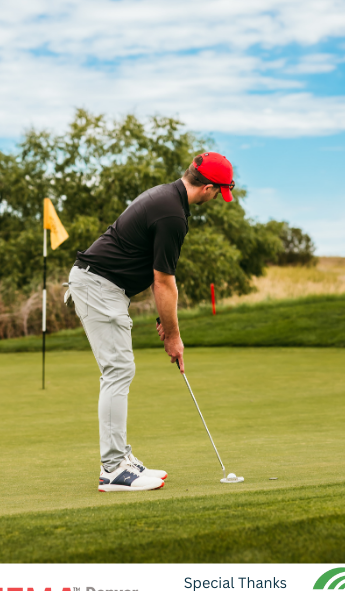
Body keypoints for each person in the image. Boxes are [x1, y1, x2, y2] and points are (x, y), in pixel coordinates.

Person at [65, 152, 235, 492]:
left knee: (120, 369)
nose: (217, 197)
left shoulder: (166, 196)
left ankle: (121, 458)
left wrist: (163, 318)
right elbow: (164, 281)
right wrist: (173, 336)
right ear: (207, 187)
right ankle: (113, 470)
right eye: (219, 191)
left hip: (101, 285)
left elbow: (147, 264)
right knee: (118, 370)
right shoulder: (173, 214)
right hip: (98, 286)